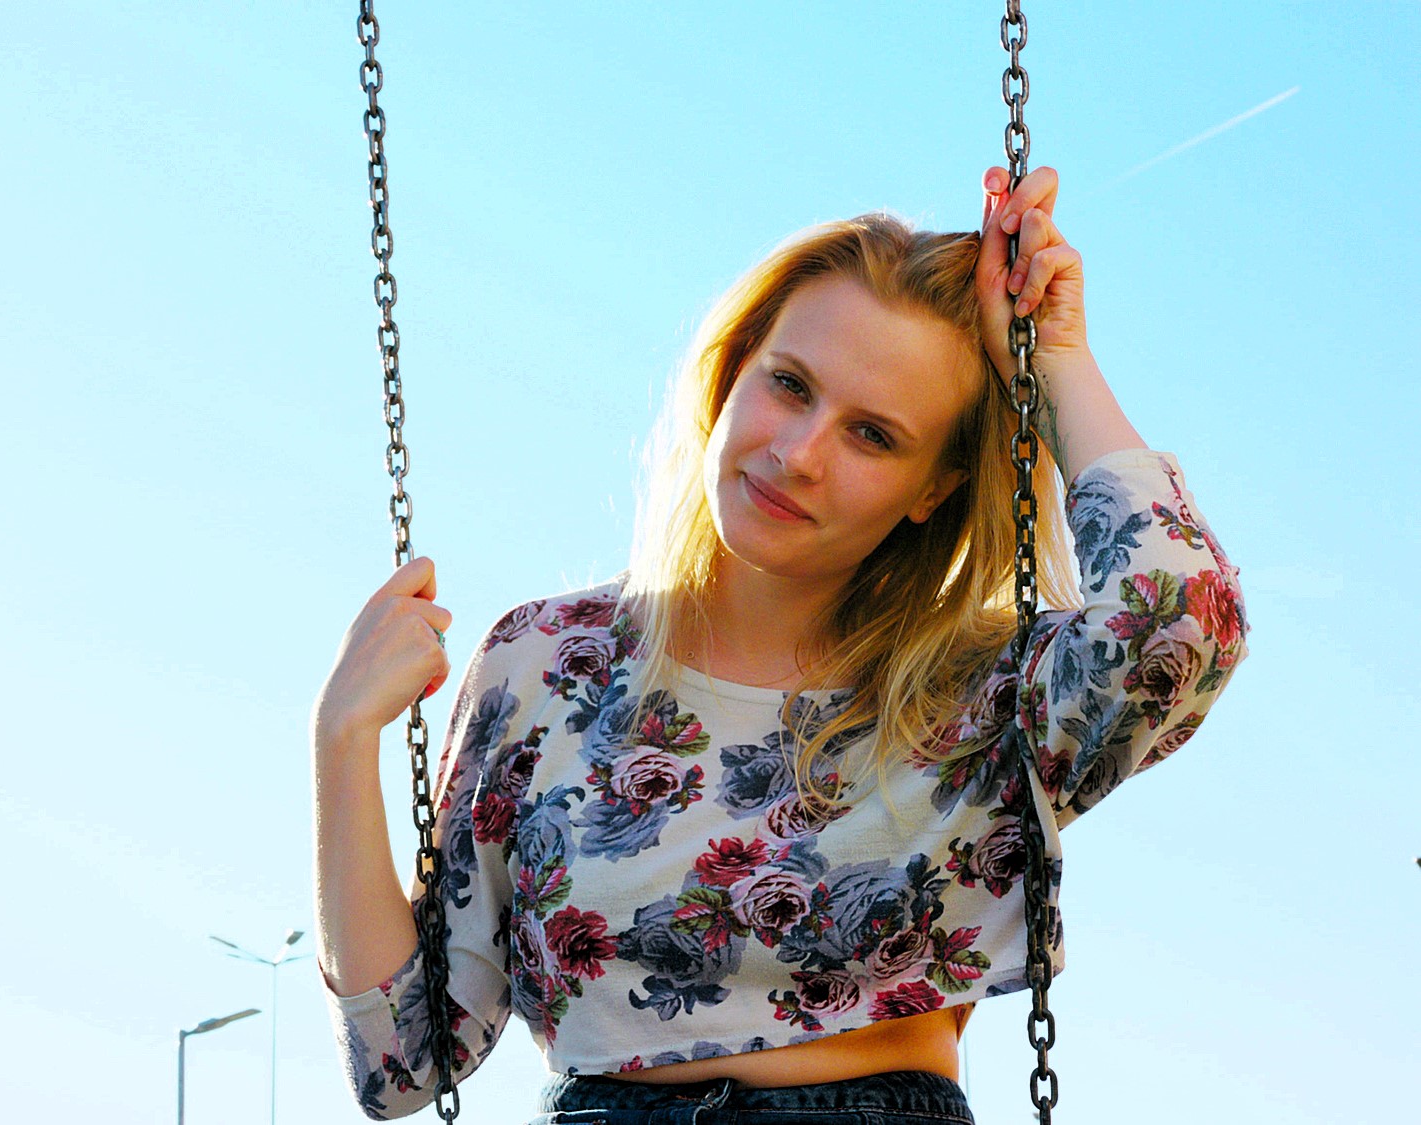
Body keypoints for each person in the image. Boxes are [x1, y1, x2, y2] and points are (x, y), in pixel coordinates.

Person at [310, 165, 1249, 1124]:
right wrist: (341, 738)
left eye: (873, 435)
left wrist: (1055, 364)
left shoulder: (982, 692)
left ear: (931, 488)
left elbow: (1179, 617)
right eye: (789, 384)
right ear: (733, 370)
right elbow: (402, 1064)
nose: (798, 452)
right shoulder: (546, 661)